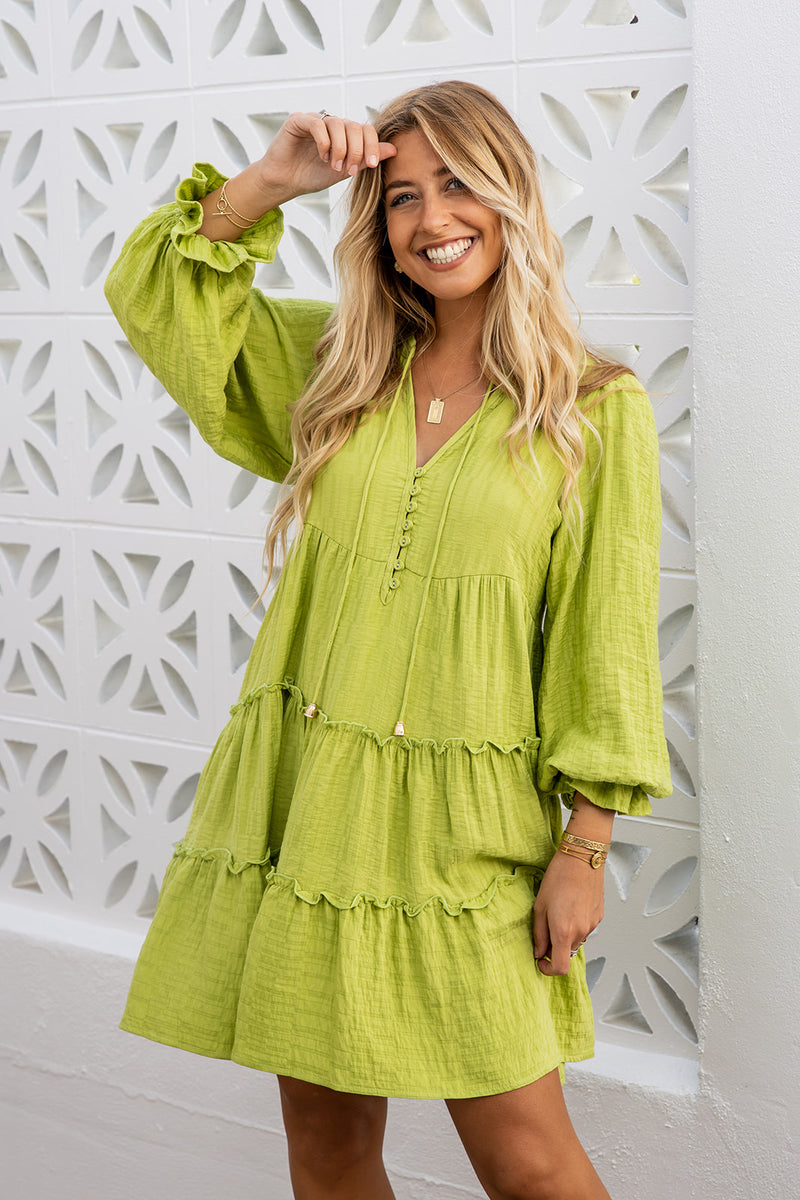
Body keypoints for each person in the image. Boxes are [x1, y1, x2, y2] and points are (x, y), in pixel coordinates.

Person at [105, 80, 671, 1200]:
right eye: (402, 196)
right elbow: (157, 293)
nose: (431, 218)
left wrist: (584, 849)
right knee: (327, 1157)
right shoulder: (343, 369)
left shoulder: (594, 409)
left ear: (511, 198)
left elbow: (606, 645)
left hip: (469, 838)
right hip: (314, 814)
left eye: (458, 185)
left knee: (529, 1164)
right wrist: (276, 179)